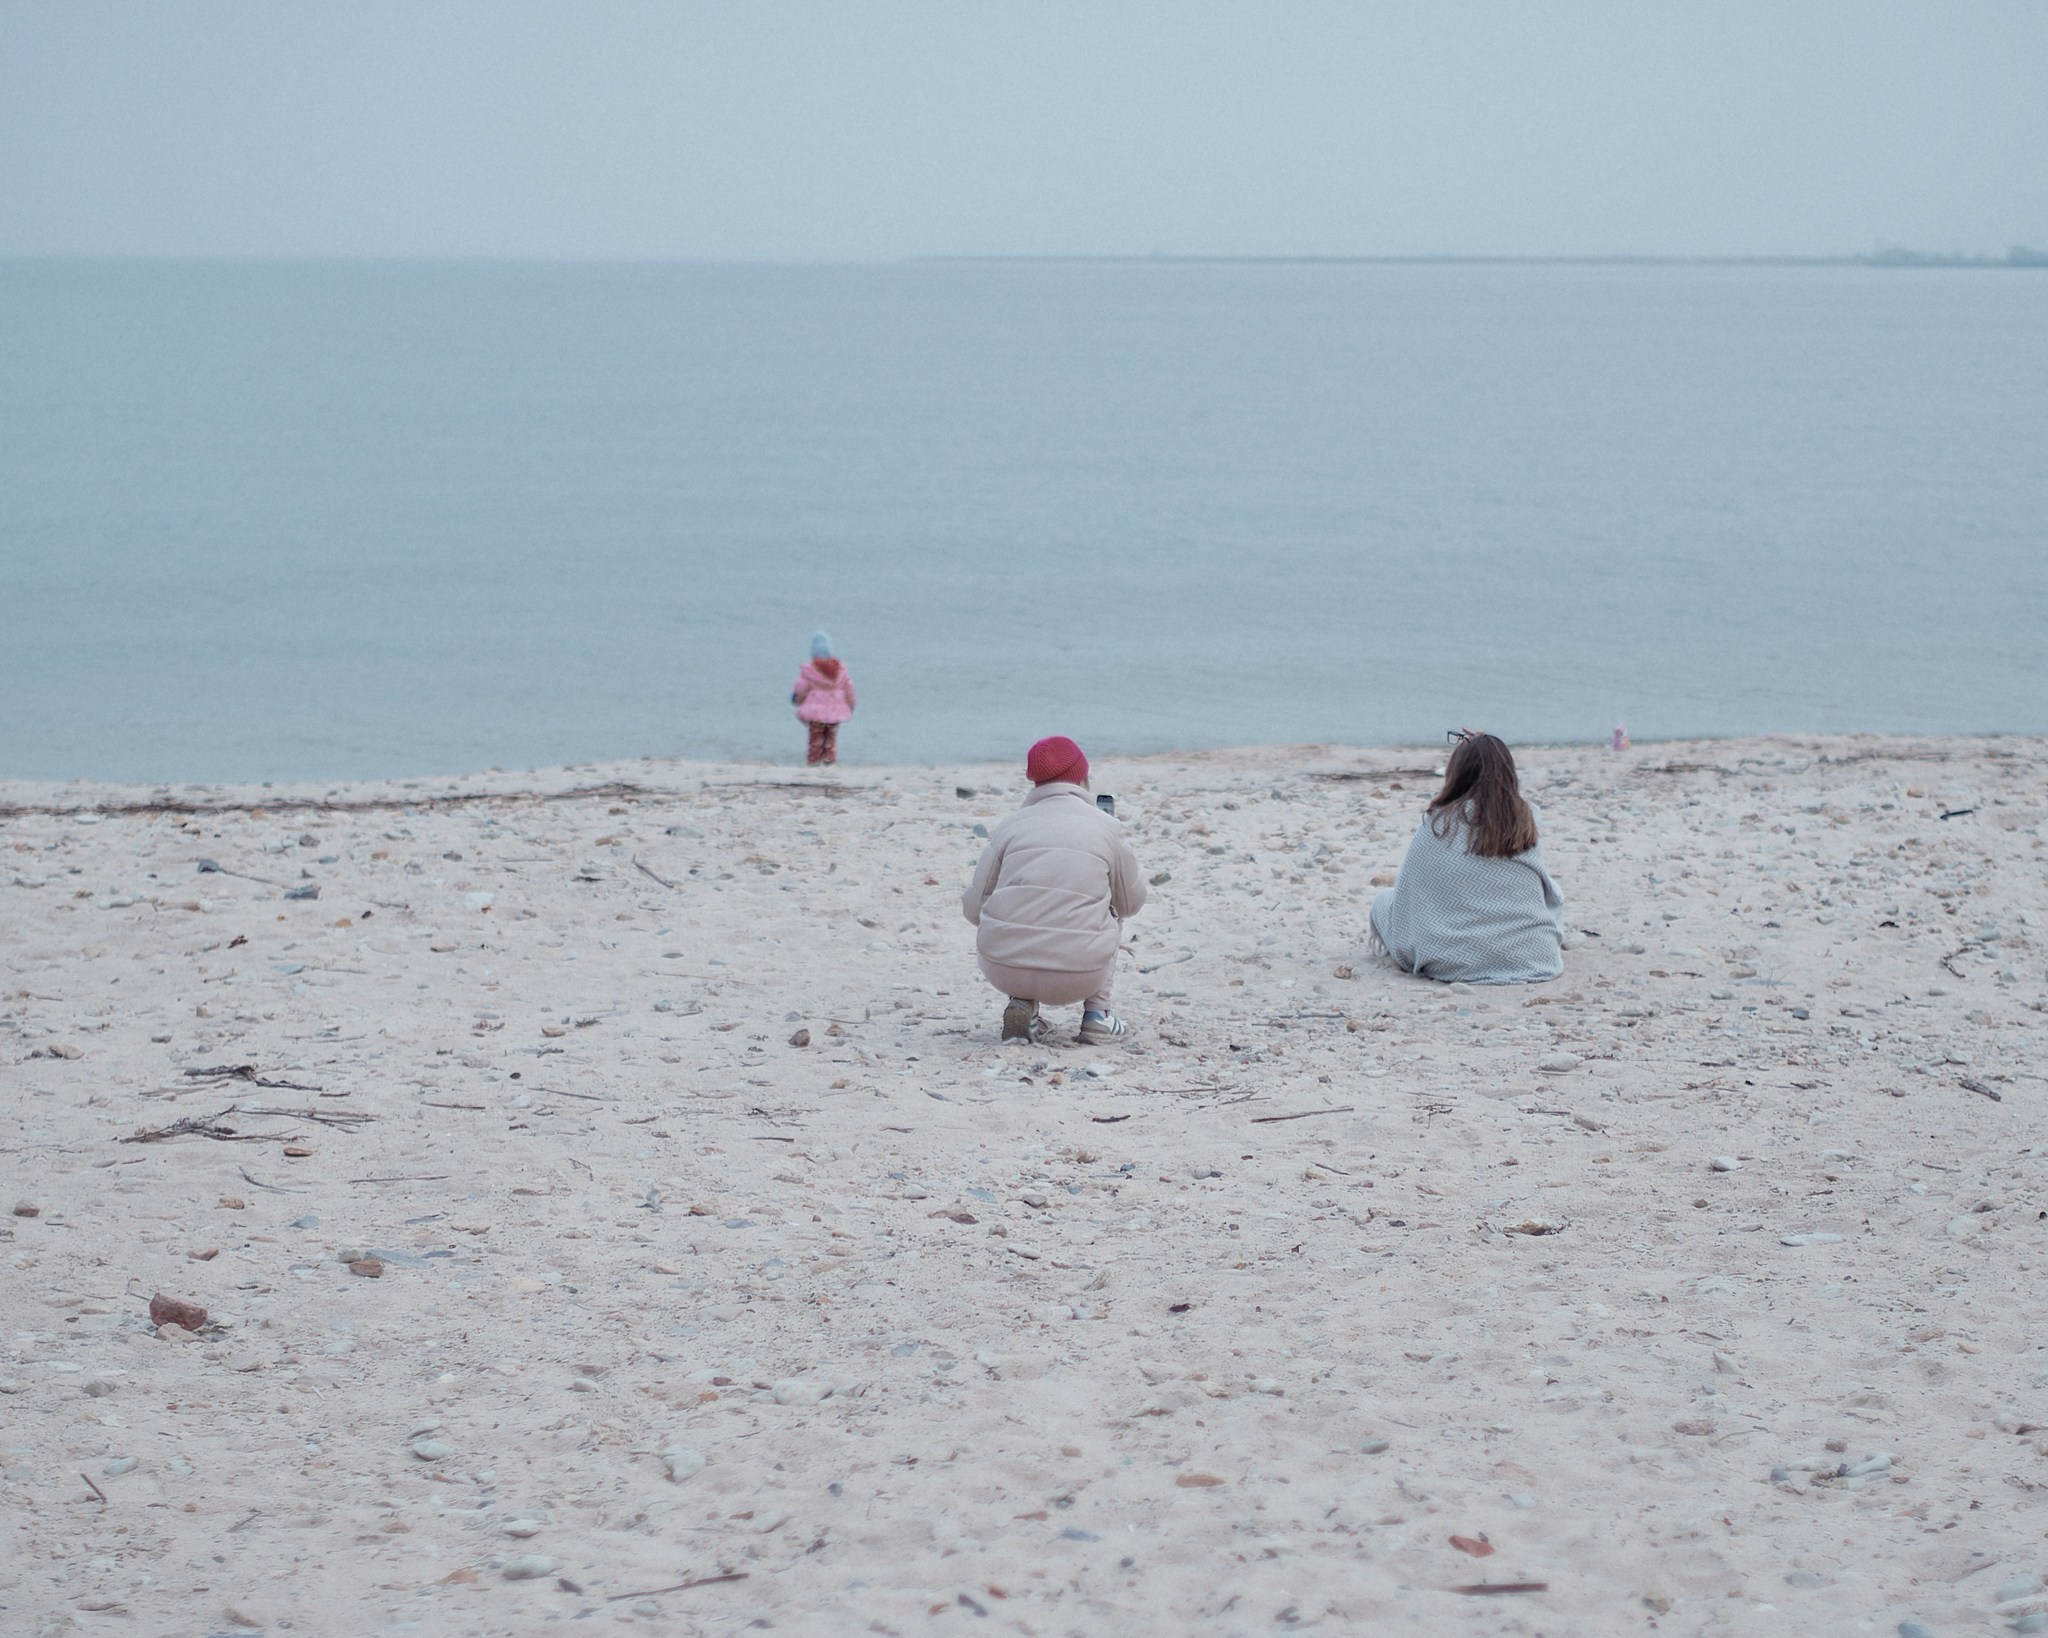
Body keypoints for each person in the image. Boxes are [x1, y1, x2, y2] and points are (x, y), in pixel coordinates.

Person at [962, 736, 1147, 1043]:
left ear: (1035, 782)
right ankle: (1097, 1015)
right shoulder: (1105, 827)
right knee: (1113, 908)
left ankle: (1024, 1003)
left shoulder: (1012, 826)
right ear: (1082, 777)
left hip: (1004, 968)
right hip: (1080, 974)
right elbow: (1132, 904)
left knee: (1021, 906)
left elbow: (973, 909)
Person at [1368, 730, 1564, 985]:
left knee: (1384, 901)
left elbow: (1410, 894)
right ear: (1509, 773)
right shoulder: (1526, 818)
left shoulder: (1438, 824)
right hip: (1532, 955)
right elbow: (1546, 890)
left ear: (1457, 773)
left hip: (1450, 961)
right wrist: (1489, 745)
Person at [792, 632, 856, 766]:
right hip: (835, 713)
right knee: (830, 740)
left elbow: (801, 689)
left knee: (815, 740)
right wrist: (851, 706)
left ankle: (814, 763)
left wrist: (797, 700)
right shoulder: (841, 670)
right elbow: (849, 689)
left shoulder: (810, 670)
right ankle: (829, 763)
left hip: (815, 713)